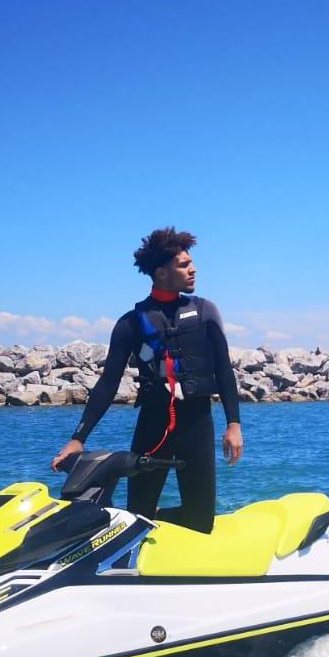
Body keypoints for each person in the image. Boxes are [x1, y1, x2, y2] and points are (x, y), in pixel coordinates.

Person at [51, 227, 243, 532]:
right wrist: (78, 438)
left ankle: (165, 525)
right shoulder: (130, 324)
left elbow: (223, 369)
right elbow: (108, 384)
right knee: (137, 516)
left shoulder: (205, 311)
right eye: (184, 264)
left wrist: (233, 424)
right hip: (153, 425)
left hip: (197, 424)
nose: (193, 269)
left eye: (191, 263)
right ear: (161, 272)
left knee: (201, 523)